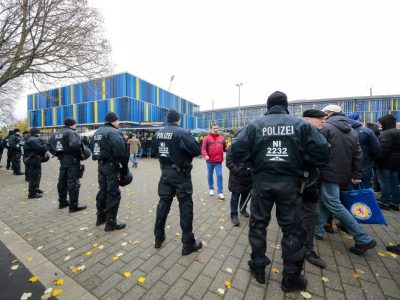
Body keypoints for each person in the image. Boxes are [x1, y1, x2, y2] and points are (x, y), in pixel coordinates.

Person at [232, 91, 331, 292]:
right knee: (292, 229)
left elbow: (237, 149)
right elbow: (323, 152)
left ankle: (258, 267)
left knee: (258, 224)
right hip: (290, 184)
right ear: (286, 106)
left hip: (262, 183)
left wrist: (254, 161)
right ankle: (291, 278)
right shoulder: (301, 124)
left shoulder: (255, 125)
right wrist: (302, 159)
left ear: (268, 107)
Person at [315, 104, 377, 255]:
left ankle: (363, 238)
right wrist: (356, 174)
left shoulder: (326, 127)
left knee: (334, 203)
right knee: (325, 200)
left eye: (323, 114)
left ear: (329, 113)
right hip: (344, 173)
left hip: (329, 172)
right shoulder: (351, 129)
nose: (322, 118)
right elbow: (358, 154)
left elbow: (317, 150)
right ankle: (317, 230)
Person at [153, 109, 202, 255]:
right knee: (185, 206)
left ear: (168, 120)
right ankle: (188, 243)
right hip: (181, 174)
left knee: (163, 203)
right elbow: (196, 150)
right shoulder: (182, 132)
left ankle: (158, 237)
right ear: (178, 120)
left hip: (165, 173)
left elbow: (156, 151)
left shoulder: (158, 133)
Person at [301, 109, 331, 269]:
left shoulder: (318, 133)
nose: (323, 121)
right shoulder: (299, 133)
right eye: (319, 118)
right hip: (298, 183)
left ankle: (308, 248)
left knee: (312, 215)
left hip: (311, 182)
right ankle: (301, 248)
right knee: (299, 216)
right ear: (307, 119)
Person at [91, 112, 130, 231]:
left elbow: (93, 149)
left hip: (101, 165)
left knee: (102, 191)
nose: (119, 123)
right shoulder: (114, 132)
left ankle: (100, 218)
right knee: (113, 193)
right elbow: (120, 152)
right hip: (111, 166)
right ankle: (111, 222)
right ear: (113, 121)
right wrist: (124, 168)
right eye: (118, 121)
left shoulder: (98, 132)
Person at [49, 118, 87, 212]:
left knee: (62, 181)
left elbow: (49, 146)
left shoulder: (56, 133)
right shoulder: (72, 132)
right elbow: (75, 146)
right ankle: (74, 205)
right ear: (73, 124)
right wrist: (81, 156)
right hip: (72, 160)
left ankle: (62, 202)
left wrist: (57, 154)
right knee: (73, 182)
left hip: (63, 160)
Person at [226, 130, 251, 226]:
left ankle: (243, 208)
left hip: (248, 177)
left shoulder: (250, 147)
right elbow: (229, 162)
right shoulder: (232, 147)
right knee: (235, 196)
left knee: (245, 194)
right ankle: (233, 215)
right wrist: (238, 171)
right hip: (237, 177)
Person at [374, 114, 400, 211]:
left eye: (380, 122)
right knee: (394, 182)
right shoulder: (397, 132)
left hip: (385, 162)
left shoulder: (387, 133)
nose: (379, 124)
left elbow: (383, 151)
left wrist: (376, 160)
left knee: (385, 183)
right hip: (395, 163)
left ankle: (385, 202)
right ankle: (395, 202)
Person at [347, 113, 380, 188]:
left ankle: (351, 199)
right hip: (365, 161)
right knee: (366, 182)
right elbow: (376, 147)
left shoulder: (343, 130)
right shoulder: (367, 131)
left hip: (347, 161)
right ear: (358, 120)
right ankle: (366, 199)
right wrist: (373, 158)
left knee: (349, 183)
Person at [201, 123, 227, 199]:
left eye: (217, 128)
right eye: (214, 128)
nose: (216, 129)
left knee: (219, 175)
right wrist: (205, 155)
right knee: (210, 174)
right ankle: (211, 189)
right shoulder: (207, 138)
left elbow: (225, 148)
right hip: (210, 160)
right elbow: (203, 148)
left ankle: (220, 192)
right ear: (211, 129)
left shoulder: (222, 138)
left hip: (219, 160)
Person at [23, 128, 48, 199]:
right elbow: (42, 149)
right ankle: (32, 193)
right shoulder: (33, 140)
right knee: (34, 176)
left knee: (37, 175)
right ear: (37, 133)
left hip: (34, 159)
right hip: (32, 160)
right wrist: (45, 144)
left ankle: (35, 188)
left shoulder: (31, 139)